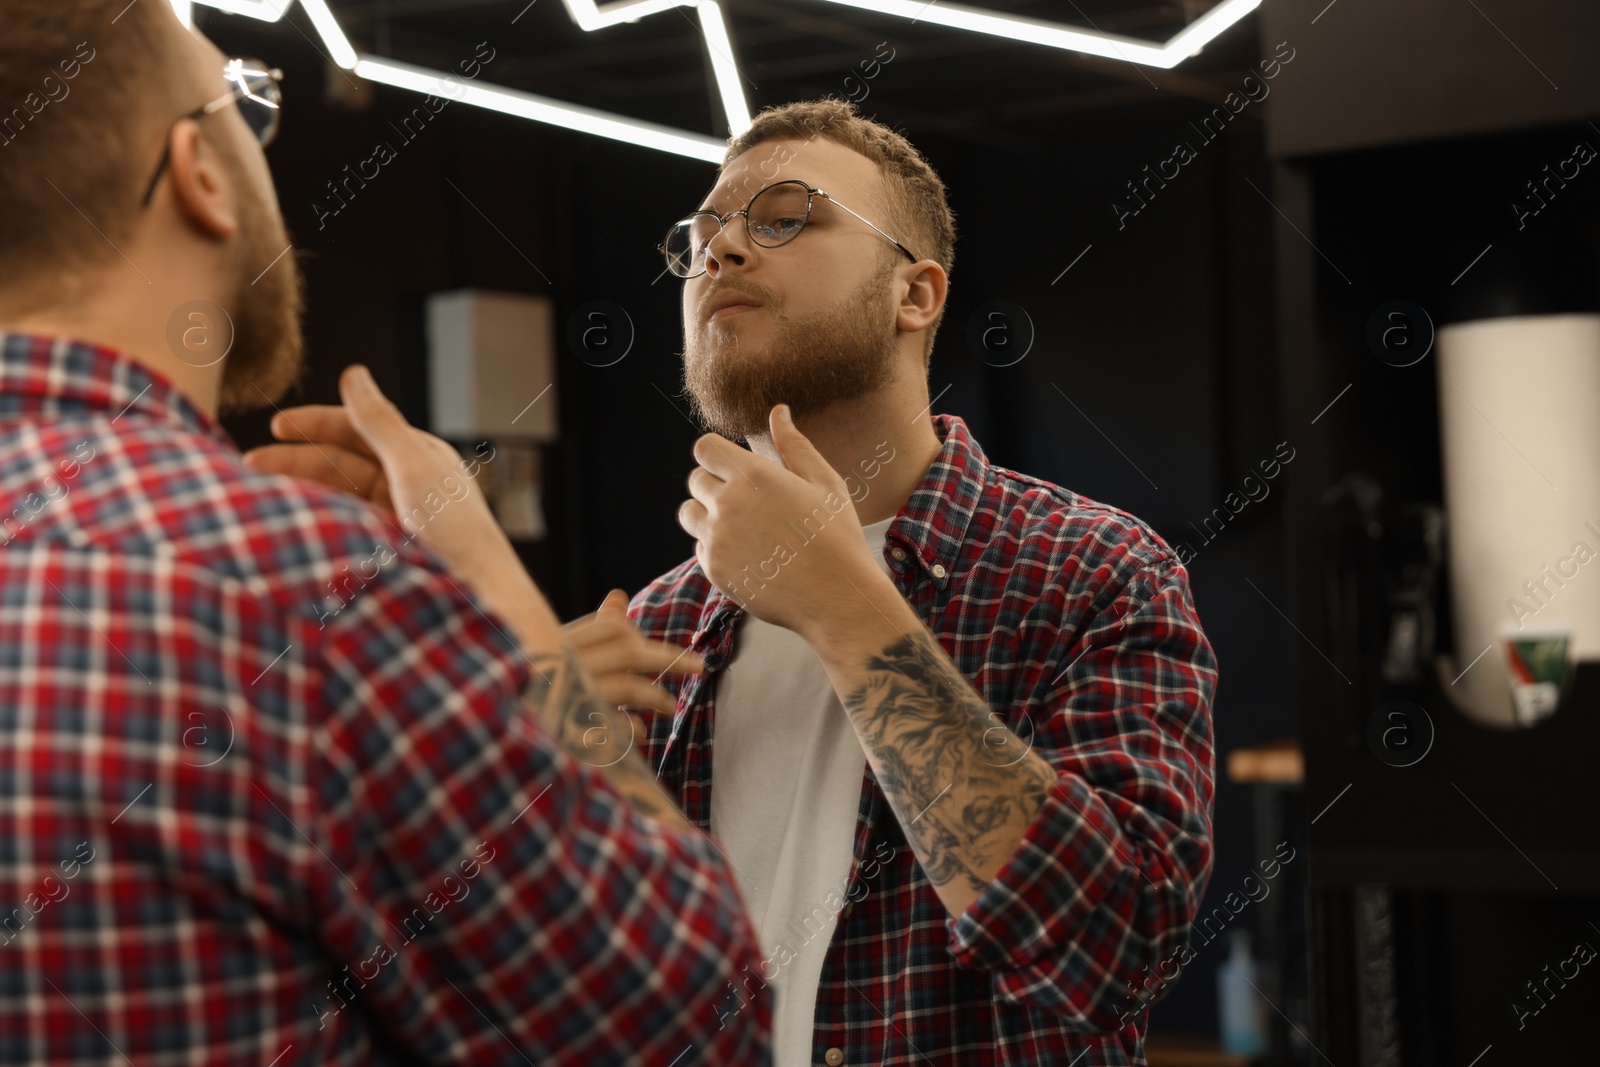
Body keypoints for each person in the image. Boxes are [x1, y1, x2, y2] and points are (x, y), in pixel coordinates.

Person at [263, 99, 1220, 1064]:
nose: (720, 253)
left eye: (785, 217)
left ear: (916, 294)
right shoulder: (661, 622)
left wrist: (844, 607)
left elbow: (1115, 949)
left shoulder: (1092, 570)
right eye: (701, 237)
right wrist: (513, 750)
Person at [0, 3, 770, 1064]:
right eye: (247, 105)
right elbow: (695, 1020)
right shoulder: (294, 591)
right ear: (199, 172)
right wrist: (488, 594)